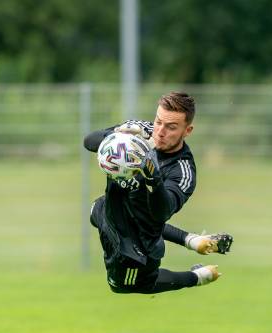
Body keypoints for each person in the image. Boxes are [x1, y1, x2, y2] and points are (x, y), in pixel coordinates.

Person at [84, 91, 233, 294]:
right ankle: (192, 241)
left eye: (171, 127)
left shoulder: (182, 170)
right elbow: (89, 141)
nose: (160, 131)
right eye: (158, 121)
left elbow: (161, 213)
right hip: (112, 210)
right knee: (97, 209)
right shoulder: (142, 132)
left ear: (187, 130)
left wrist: (152, 176)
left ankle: (197, 277)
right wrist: (118, 134)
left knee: (123, 286)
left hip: (138, 244)